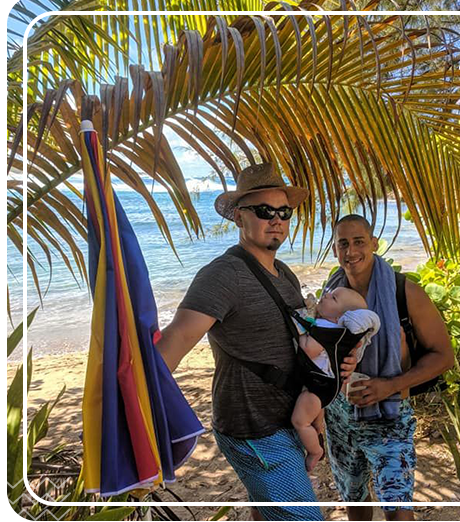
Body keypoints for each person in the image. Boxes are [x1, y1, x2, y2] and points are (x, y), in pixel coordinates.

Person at [154, 163, 359, 522]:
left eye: (284, 212)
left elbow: (300, 342)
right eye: (264, 211)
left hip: (287, 415)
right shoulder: (222, 275)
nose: (276, 219)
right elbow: (177, 338)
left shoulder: (286, 275)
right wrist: (130, 409)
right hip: (254, 426)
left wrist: (331, 373)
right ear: (238, 217)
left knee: (267, 509)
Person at [323, 214, 455, 522]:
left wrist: (389, 386)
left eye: (359, 242)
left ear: (374, 244)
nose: (351, 251)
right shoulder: (334, 291)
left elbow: (444, 356)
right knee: (354, 501)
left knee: (397, 507)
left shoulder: (404, 293)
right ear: (334, 250)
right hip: (341, 418)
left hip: (390, 417)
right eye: (343, 243)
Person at [291, 287, 380, 473]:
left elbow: (309, 348)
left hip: (319, 388)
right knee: (312, 416)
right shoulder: (331, 327)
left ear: (340, 316)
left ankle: (315, 451)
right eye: (330, 293)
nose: (325, 296)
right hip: (323, 384)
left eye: (333, 298)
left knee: (300, 421)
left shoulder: (330, 330)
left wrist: (298, 333)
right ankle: (317, 428)